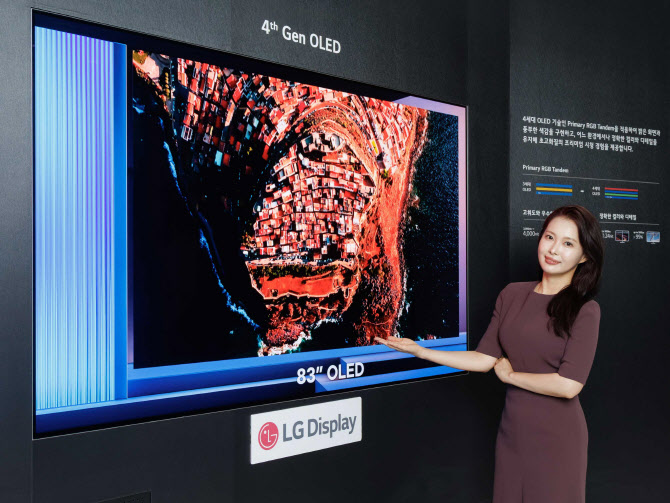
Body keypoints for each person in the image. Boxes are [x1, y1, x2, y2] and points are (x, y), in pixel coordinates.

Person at [375, 205, 604, 503]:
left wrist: (511, 377)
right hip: (512, 432)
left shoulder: (586, 310)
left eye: (568, 243)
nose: (554, 249)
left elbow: (569, 385)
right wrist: (421, 351)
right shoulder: (512, 294)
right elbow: (484, 359)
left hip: (558, 438)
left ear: (584, 256)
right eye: (550, 237)